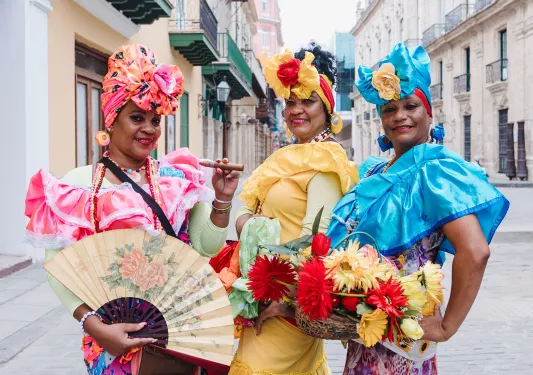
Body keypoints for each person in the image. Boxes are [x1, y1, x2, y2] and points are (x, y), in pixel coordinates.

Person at [24, 44, 241, 375]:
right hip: (110, 342)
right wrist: (94, 326)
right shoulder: (79, 185)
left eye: (155, 120)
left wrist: (222, 200)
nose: (150, 129)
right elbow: (57, 268)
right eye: (137, 117)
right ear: (111, 120)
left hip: (178, 337)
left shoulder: (175, 179)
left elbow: (205, 247)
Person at [327, 42, 509, 374]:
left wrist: (446, 326)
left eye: (410, 106)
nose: (399, 116)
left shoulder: (435, 170)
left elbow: (476, 251)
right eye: (389, 108)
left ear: (429, 113)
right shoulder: (372, 172)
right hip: (364, 343)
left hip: (404, 350)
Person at [228, 44, 359, 375]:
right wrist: (246, 221)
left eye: (308, 101)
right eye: (291, 102)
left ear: (327, 109)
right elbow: (247, 208)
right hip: (264, 300)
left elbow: (315, 245)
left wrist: (284, 305)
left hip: (283, 306)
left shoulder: (325, 164)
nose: (297, 110)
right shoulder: (290, 157)